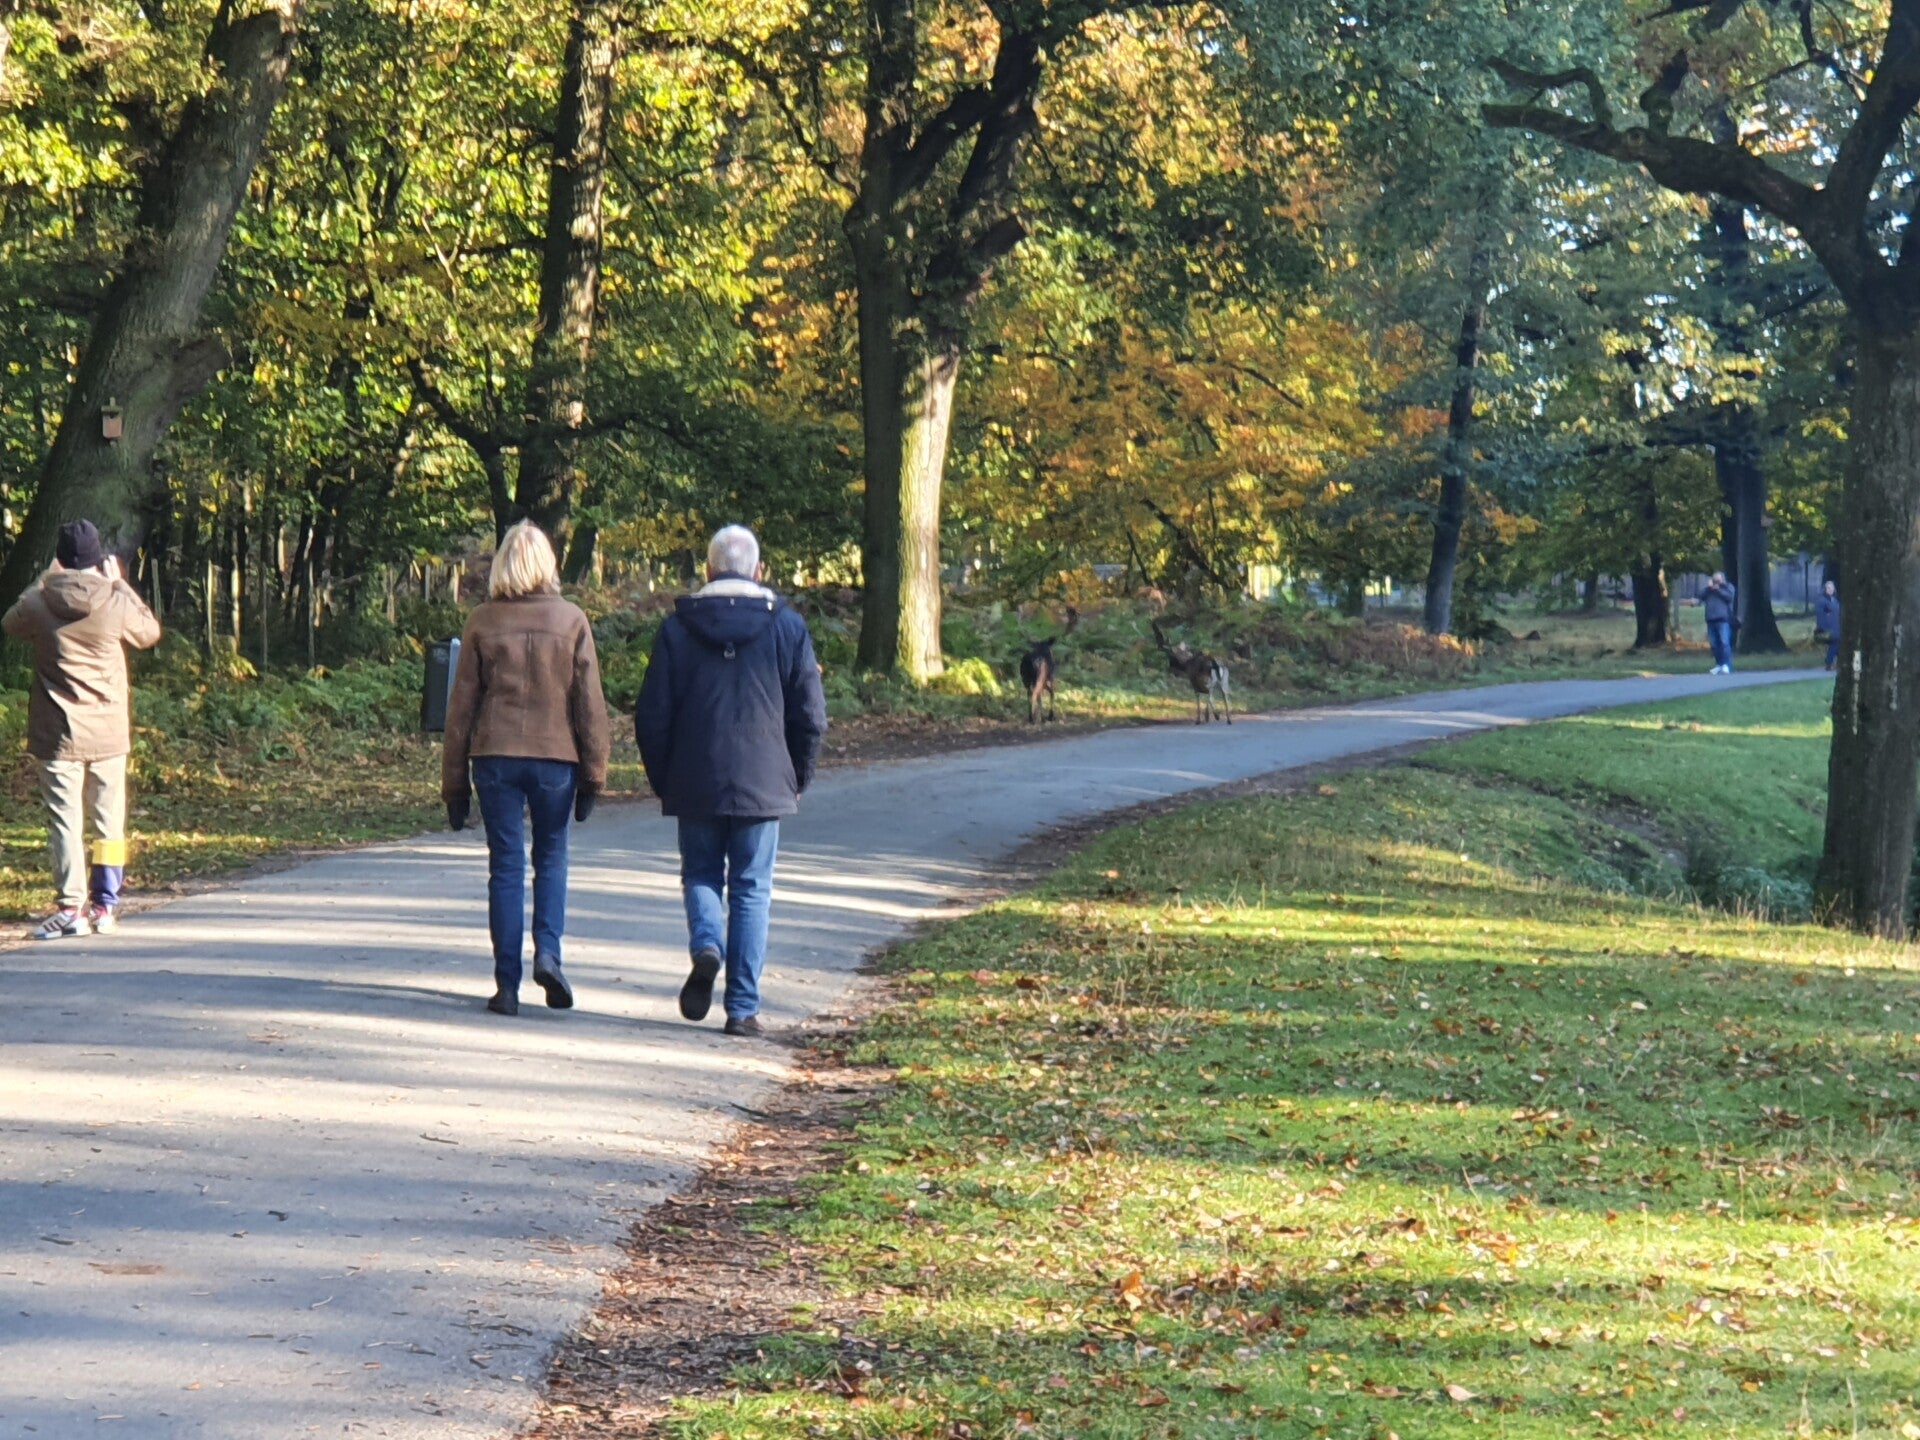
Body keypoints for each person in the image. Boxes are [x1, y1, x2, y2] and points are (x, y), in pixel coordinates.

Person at [635, 525, 827, 1037]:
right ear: (759, 571)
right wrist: (798, 775)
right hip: (764, 779)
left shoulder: (678, 629)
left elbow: (652, 715)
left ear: (708, 570)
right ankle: (741, 1009)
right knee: (751, 889)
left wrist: (665, 778)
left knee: (700, 872)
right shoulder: (787, 627)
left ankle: (706, 944)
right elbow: (811, 715)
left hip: (695, 775)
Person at [442, 521, 610, 1016]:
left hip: (495, 756)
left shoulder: (482, 621)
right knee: (552, 858)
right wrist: (594, 773)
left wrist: (454, 785)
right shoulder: (572, 620)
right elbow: (589, 704)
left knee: (506, 866)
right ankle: (549, 954)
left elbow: (461, 709)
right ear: (548, 564)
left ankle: (507, 985)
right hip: (556, 758)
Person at [3, 520, 161, 940]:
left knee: (65, 822)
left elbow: (10, 622)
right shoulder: (113, 599)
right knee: (109, 822)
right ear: (97, 559)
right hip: (108, 732)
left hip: (58, 734)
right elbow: (149, 632)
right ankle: (105, 906)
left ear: (60, 559)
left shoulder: (39, 602)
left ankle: (71, 908)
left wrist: (42, 579)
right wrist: (120, 584)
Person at [1702, 571, 1737, 675]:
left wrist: (1718, 589)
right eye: (1714, 580)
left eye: (1717, 579)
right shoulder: (1709, 590)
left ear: (1722, 579)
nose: (1715, 582)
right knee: (1714, 644)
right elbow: (1701, 596)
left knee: (1724, 643)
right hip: (1711, 619)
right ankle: (1719, 664)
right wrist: (1708, 588)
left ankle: (1726, 665)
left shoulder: (1728, 587)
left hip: (1723, 619)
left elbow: (1729, 597)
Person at [1815, 579, 1841, 672]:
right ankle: (1829, 663)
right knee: (1835, 643)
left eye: (1832, 588)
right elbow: (1821, 615)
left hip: (1836, 627)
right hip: (1827, 629)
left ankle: (1837, 663)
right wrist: (1823, 628)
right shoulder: (1822, 601)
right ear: (1825, 589)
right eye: (1828, 588)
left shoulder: (1834, 600)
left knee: (1838, 644)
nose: (1831, 590)